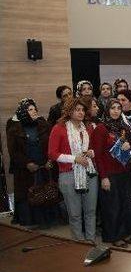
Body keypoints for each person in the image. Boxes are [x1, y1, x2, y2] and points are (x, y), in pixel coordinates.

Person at [48, 98, 99, 242]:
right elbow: (52, 153)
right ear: (69, 111)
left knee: (91, 211)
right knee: (75, 214)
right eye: (77, 110)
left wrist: (91, 152)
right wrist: (74, 158)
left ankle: (91, 241)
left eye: (83, 110)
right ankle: (78, 243)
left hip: (90, 172)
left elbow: (96, 148)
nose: (81, 112)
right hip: (68, 174)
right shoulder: (59, 128)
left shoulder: (88, 128)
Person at [91, 99, 131, 247]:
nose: (116, 111)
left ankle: (123, 233)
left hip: (124, 172)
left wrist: (128, 146)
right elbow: (98, 155)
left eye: (118, 108)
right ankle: (113, 236)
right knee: (112, 206)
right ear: (107, 110)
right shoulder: (101, 129)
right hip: (109, 173)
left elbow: (130, 152)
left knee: (125, 204)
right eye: (112, 108)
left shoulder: (124, 128)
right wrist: (103, 177)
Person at [7, 98, 57, 228]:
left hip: (43, 166)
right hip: (25, 170)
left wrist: (49, 161)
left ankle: (46, 220)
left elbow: (51, 145)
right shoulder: (15, 128)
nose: (34, 111)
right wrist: (27, 163)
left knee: (45, 192)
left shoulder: (43, 124)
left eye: (35, 109)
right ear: (23, 112)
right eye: (30, 109)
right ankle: (31, 221)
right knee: (28, 194)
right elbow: (13, 151)